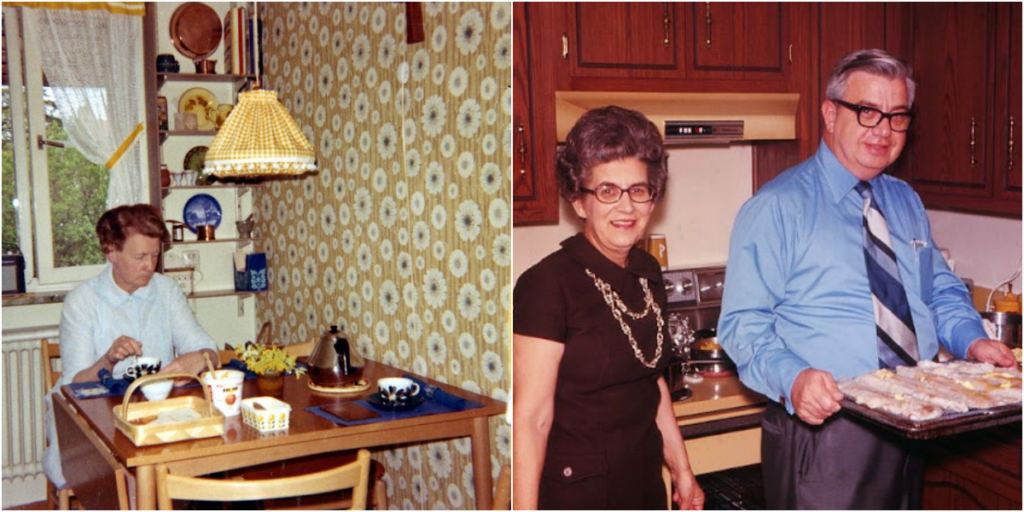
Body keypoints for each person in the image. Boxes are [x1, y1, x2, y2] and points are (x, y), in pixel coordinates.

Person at [718, 49, 1016, 509]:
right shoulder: (777, 208)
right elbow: (742, 323)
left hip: (912, 418)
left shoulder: (904, 200)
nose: (883, 130)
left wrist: (972, 340)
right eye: (868, 112)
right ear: (830, 113)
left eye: (897, 116)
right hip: (828, 432)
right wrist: (794, 379)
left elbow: (940, 289)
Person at [513, 106, 704, 510]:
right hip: (577, 495)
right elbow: (531, 421)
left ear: (653, 198)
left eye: (638, 190)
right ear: (580, 201)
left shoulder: (647, 271)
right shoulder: (546, 285)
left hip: (643, 489)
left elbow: (653, 384)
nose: (626, 207)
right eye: (607, 191)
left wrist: (683, 472)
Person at [43, 203, 218, 489]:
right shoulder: (82, 301)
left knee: (204, 461)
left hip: (154, 414)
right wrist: (108, 361)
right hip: (96, 418)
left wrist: (198, 357)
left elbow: (207, 350)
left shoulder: (166, 290)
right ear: (111, 252)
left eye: (155, 255)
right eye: (140, 257)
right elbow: (75, 385)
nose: (150, 266)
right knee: (128, 481)